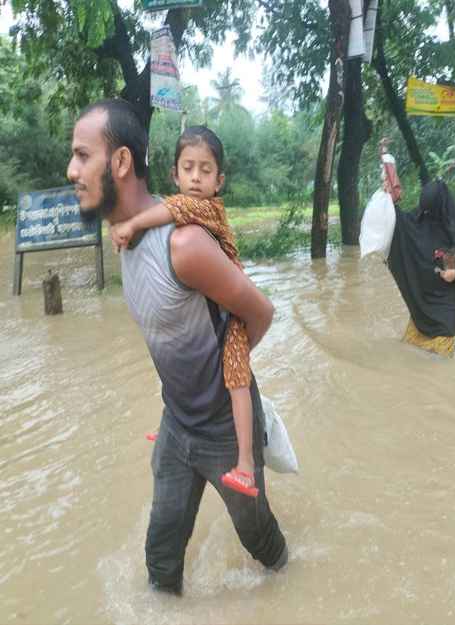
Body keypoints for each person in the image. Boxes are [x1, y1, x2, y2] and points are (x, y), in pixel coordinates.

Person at [67, 99, 287, 595]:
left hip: (225, 432)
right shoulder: (122, 236)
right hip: (175, 426)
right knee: (161, 554)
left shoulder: (184, 246)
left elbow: (262, 313)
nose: (71, 170)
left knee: (261, 543)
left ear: (120, 163)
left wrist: (230, 373)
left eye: (83, 155)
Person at [380, 140, 455, 358]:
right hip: (423, 305)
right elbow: (398, 223)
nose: (425, 215)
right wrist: (387, 168)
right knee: (411, 353)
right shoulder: (421, 218)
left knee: (441, 365)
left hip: (445, 303)